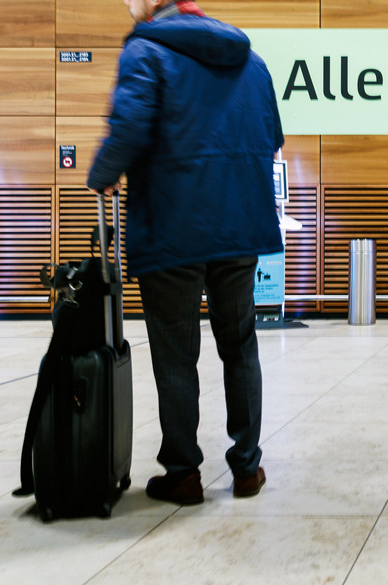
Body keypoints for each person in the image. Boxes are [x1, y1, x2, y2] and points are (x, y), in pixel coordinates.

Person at [87, 0, 284, 504]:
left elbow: (129, 127)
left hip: (173, 226)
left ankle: (183, 473)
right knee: (239, 345)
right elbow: (272, 137)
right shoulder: (253, 62)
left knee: (176, 355)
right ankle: (246, 468)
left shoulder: (146, 51)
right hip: (239, 223)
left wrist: (102, 174)